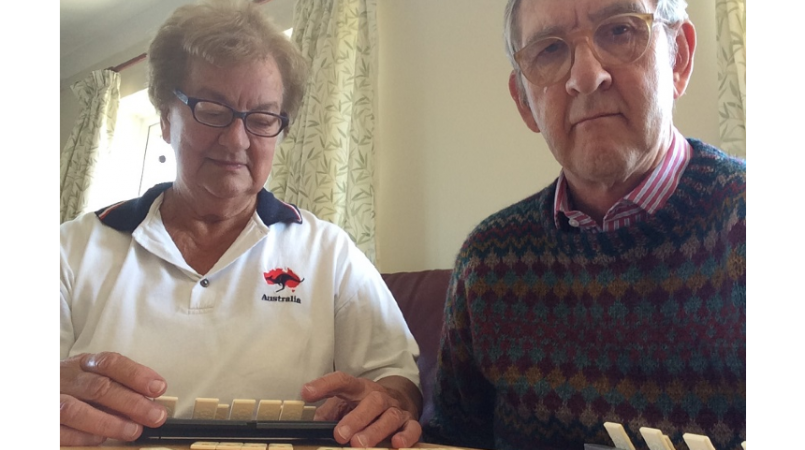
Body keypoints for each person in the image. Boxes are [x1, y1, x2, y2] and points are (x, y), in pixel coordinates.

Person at [58, 1, 422, 447]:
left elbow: (395, 380)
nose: (236, 139)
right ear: (166, 118)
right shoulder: (72, 249)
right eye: (213, 110)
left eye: (263, 119)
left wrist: (388, 401)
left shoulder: (329, 252)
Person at [425, 1, 747, 450]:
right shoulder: (487, 264)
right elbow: (452, 440)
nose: (586, 76)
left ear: (679, 57)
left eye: (619, 31)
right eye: (549, 49)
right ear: (524, 102)